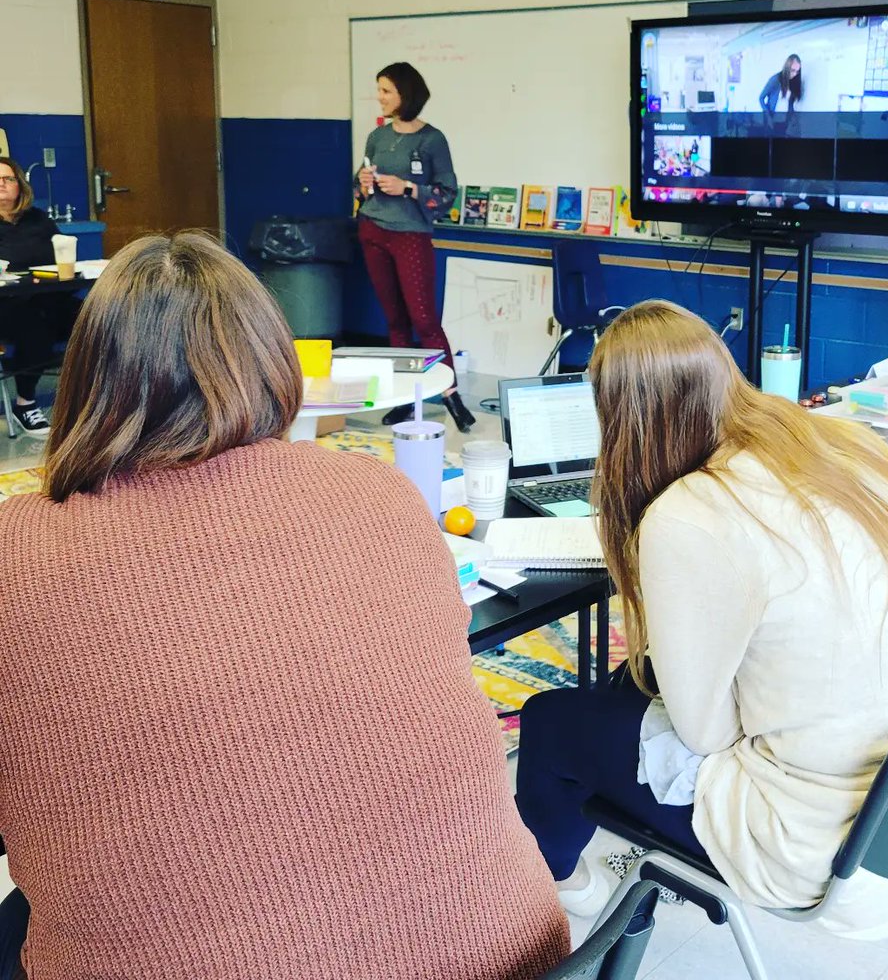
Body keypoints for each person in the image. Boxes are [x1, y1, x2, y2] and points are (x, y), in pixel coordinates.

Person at [0, 233, 568, 980]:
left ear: (88, 380)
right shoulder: (380, 491)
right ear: (272, 361)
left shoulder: (18, 551)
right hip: (510, 953)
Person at [515, 301, 888, 937]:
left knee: (549, 723)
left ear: (618, 420)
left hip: (813, 848)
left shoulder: (691, 511)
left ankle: (564, 889)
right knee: (632, 683)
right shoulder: (845, 444)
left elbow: (706, 735)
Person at [356, 62, 474, 432]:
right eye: (379, 89)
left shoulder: (432, 140)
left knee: (425, 320)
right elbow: (360, 186)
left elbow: (448, 194)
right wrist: (362, 182)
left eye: (386, 91)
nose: (380, 97)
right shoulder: (377, 136)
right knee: (395, 321)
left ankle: (451, 395)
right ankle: (406, 400)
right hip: (373, 230)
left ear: (406, 95)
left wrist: (408, 188)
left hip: (410, 235)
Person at [0, 157, 76, 435]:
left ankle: (99, 400)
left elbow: (60, 253)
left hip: (47, 297)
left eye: (8, 179)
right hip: (6, 304)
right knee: (35, 327)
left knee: (96, 317)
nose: (2, 184)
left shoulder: (38, 218)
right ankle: (25, 404)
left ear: (20, 185)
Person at [758, 53, 802, 129]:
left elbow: (790, 103)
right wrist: (768, 117)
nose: (795, 74)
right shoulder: (775, 79)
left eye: (797, 71)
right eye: (793, 70)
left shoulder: (793, 81)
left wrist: (792, 118)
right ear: (787, 67)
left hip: (784, 122)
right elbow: (761, 98)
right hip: (771, 121)